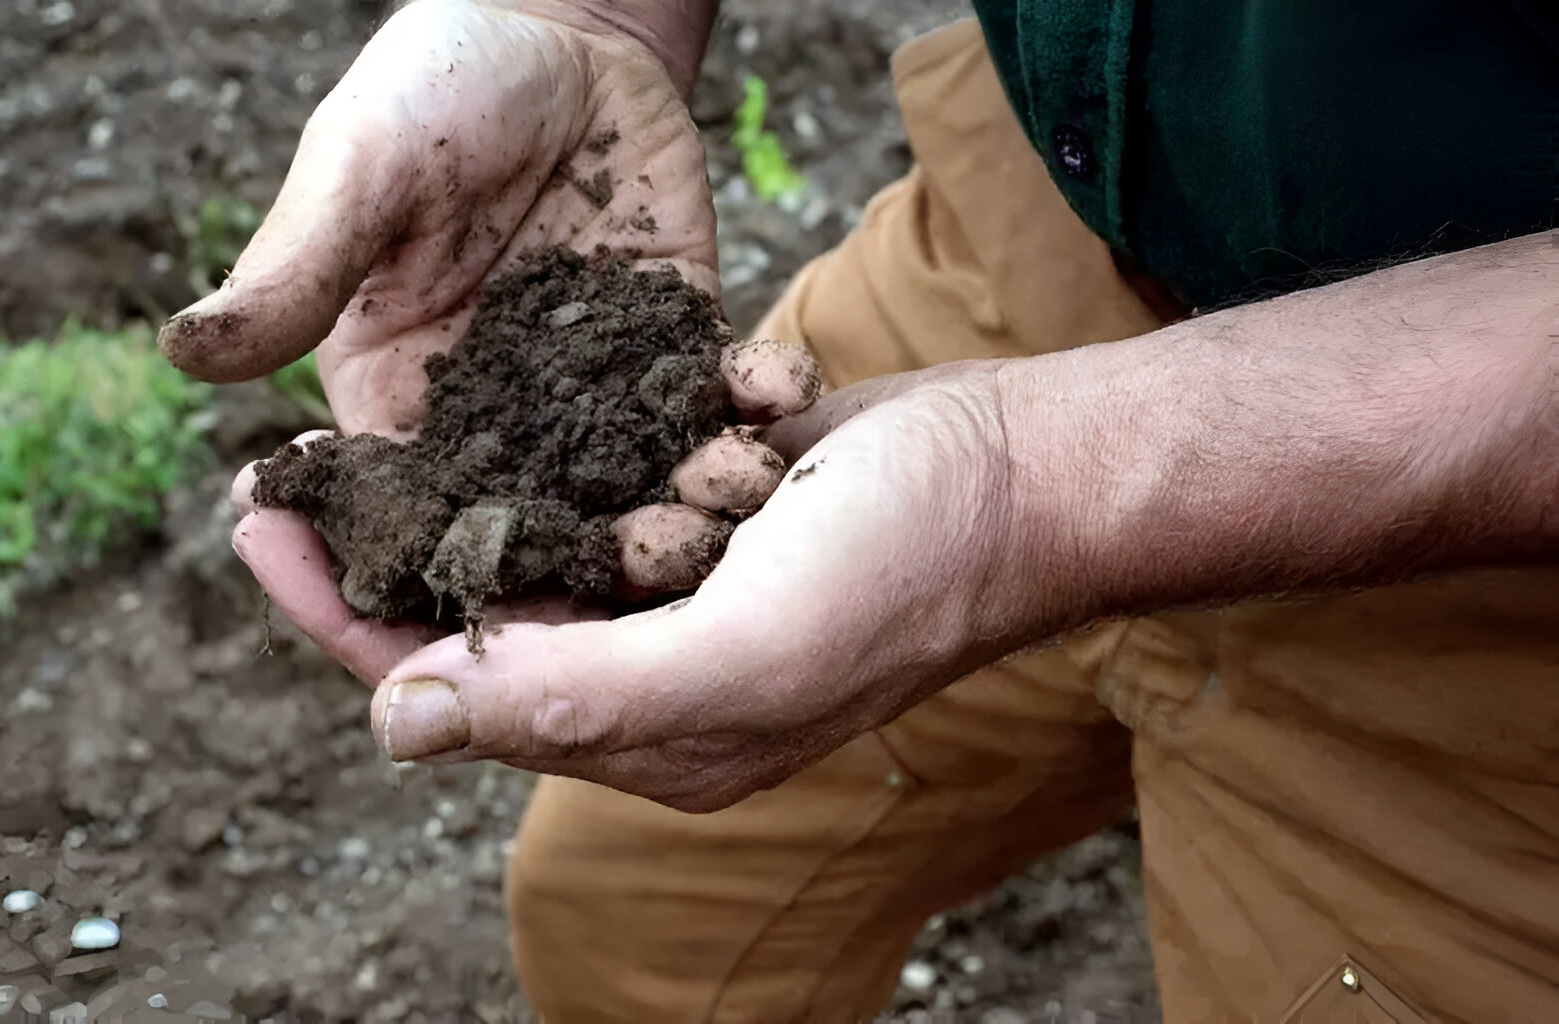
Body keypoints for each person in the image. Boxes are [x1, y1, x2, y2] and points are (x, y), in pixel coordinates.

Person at [159, 0, 1559, 1019]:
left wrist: (1035, 491)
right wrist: (586, 18)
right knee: (632, 900)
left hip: (1499, 542)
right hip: (1058, 234)